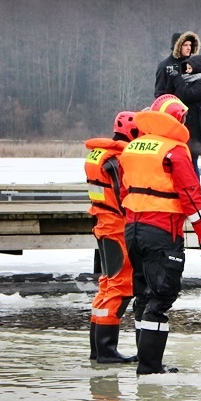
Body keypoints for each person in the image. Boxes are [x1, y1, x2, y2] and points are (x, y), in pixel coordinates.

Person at [120, 95, 201, 375]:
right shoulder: (175, 150)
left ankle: (144, 358)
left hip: (132, 229)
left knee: (142, 296)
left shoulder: (134, 147)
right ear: (178, 118)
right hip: (161, 231)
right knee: (160, 299)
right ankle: (150, 367)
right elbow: (189, 195)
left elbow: (124, 190)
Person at [84, 111, 140, 364]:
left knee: (107, 284)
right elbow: (124, 195)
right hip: (116, 228)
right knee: (119, 286)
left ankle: (98, 349)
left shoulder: (97, 155)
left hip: (103, 225)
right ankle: (106, 350)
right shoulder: (117, 159)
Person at [168, 54, 201, 174]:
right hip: (187, 130)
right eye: (186, 68)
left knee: (191, 163)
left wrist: (177, 79)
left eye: (189, 68)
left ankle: (195, 189)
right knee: (186, 162)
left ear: (198, 68)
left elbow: (186, 95)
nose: (186, 71)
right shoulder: (189, 82)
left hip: (194, 133)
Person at [154, 31, 200, 98]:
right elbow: (159, 95)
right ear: (177, 47)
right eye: (185, 45)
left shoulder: (192, 65)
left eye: (190, 45)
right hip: (172, 106)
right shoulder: (164, 66)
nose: (189, 48)